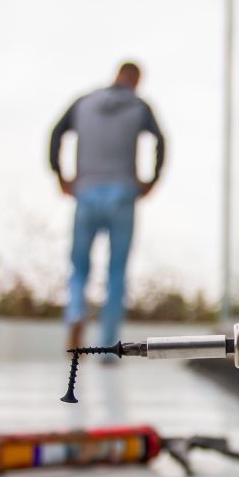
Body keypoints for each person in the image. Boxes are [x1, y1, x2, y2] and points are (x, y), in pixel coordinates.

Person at [49, 61, 165, 352]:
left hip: (86, 189)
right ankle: (109, 348)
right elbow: (161, 141)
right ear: (136, 80)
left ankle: (76, 312)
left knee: (79, 268)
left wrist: (60, 175)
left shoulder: (84, 102)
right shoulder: (139, 106)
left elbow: (55, 133)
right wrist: (151, 180)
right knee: (116, 271)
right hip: (123, 192)